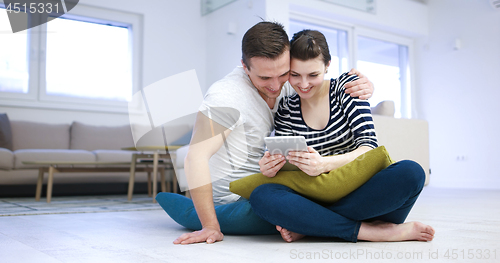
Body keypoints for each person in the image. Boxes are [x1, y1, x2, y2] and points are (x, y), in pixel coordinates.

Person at [155, 21, 374, 245]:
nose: (276, 85)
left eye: (284, 74)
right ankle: (363, 230)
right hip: (235, 199)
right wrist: (210, 226)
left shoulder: (290, 81)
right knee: (278, 208)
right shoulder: (225, 98)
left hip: (272, 183)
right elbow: (195, 157)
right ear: (244, 66)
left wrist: (361, 84)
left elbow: (317, 79)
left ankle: (313, 222)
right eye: (264, 78)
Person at [250, 29, 435, 243]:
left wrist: (323, 164)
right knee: (262, 195)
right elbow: (286, 162)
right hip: (313, 196)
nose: (303, 84)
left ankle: (312, 225)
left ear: (327, 66)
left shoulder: (347, 88)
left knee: (411, 173)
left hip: (359, 193)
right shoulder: (286, 108)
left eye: (313, 75)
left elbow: (368, 148)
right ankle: (371, 231)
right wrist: (270, 167)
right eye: (295, 75)